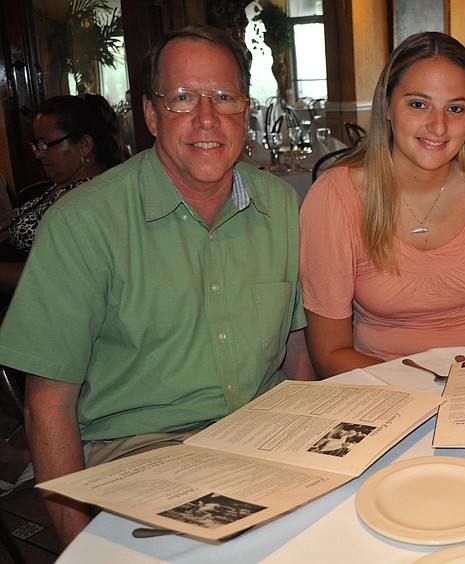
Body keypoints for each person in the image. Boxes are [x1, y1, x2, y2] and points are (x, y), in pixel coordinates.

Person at [0, 25, 307, 546]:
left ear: (246, 109)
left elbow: (297, 348)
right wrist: (82, 548)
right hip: (142, 454)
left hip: (264, 436)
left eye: (224, 97)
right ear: (148, 114)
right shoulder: (83, 224)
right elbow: (46, 406)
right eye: (183, 98)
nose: (206, 118)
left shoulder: (280, 205)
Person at [299, 32, 465, 378]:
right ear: (386, 106)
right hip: (388, 388)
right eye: (418, 104)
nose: (438, 126)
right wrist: (428, 387)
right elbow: (329, 353)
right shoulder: (334, 198)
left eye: (455, 108)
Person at [0, 94, 125, 295]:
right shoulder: (63, 183)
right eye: (36, 145)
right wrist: (13, 218)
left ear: (84, 145)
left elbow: (51, 276)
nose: (38, 154)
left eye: (45, 145)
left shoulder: (85, 198)